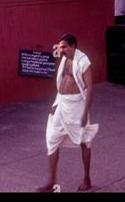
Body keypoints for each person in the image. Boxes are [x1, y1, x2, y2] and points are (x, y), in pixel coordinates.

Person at [37, 34, 99, 192]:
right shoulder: (64, 59)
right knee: (52, 139)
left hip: (77, 105)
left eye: (64, 47)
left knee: (84, 141)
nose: (61, 50)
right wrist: (56, 103)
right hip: (61, 104)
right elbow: (62, 82)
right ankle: (51, 182)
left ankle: (87, 178)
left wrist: (85, 112)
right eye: (59, 47)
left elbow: (90, 88)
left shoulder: (83, 61)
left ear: (73, 46)